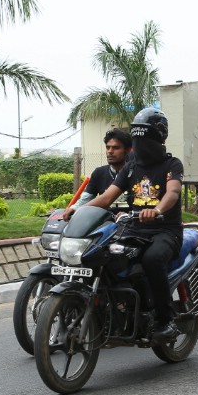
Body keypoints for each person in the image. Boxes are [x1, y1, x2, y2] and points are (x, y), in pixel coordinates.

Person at [64, 108, 184, 342]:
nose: (140, 143)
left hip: (165, 230)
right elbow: (107, 197)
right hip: (133, 229)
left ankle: (164, 319)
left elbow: (173, 192)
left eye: (144, 138)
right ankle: (118, 309)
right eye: (137, 138)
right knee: (108, 257)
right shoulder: (130, 168)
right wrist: (79, 210)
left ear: (157, 138)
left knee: (152, 259)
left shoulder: (172, 164)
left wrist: (157, 210)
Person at [75, 128, 133, 207]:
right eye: (108, 147)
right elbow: (85, 199)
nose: (110, 151)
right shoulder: (98, 173)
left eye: (116, 148)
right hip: (104, 218)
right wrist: (74, 209)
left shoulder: (135, 172)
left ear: (128, 150)